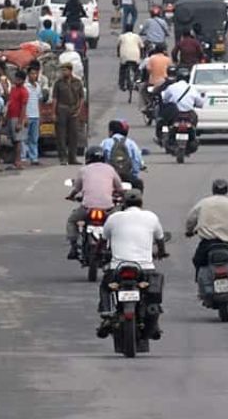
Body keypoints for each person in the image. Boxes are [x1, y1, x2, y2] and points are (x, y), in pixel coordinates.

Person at [98, 189, 167, 339]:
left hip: (117, 268)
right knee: (152, 293)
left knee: (105, 287)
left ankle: (106, 312)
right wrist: (161, 252)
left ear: (124, 203)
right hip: (145, 268)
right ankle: (153, 320)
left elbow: (103, 241)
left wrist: (99, 254)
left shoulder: (113, 218)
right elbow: (160, 241)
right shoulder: (151, 217)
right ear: (141, 203)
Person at [64, 147, 124, 260]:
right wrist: (121, 196)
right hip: (108, 208)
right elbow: (119, 188)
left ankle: (73, 247)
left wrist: (71, 196)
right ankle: (119, 248)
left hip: (87, 207)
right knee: (118, 224)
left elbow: (77, 188)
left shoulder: (84, 170)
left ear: (88, 158)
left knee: (72, 221)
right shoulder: (110, 169)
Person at [185, 178, 228, 269]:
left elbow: (191, 219)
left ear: (213, 189)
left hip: (208, 243)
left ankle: (201, 280)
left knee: (198, 261)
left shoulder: (204, 202)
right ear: (226, 190)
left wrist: (189, 230)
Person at [52, 63, 85, 165]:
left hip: (73, 109)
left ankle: (72, 158)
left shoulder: (77, 82)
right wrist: (53, 113)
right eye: (62, 70)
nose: (63, 72)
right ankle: (63, 158)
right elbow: (55, 99)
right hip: (62, 109)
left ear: (70, 71)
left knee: (74, 134)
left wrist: (79, 110)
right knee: (61, 135)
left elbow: (81, 97)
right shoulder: (58, 83)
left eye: (65, 70)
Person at [100, 119, 144, 191]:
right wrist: (135, 174)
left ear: (111, 132)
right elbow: (137, 160)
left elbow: (99, 159)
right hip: (127, 176)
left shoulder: (105, 142)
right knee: (139, 184)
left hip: (109, 176)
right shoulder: (131, 143)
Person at [23, 62, 48, 166]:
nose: (34, 75)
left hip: (36, 116)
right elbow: (23, 103)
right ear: (28, 75)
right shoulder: (25, 86)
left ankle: (34, 158)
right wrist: (24, 116)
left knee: (34, 138)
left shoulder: (38, 86)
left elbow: (39, 101)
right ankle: (23, 158)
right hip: (27, 116)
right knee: (24, 139)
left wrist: (40, 115)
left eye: (35, 73)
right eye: (32, 73)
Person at [6, 71, 30, 170]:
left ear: (23, 80)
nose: (16, 80)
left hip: (17, 117)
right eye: (16, 78)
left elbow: (23, 107)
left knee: (18, 140)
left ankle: (18, 161)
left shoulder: (24, 91)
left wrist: (20, 122)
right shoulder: (13, 89)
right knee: (14, 141)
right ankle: (15, 161)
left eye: (18, 79)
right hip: (11, 116)